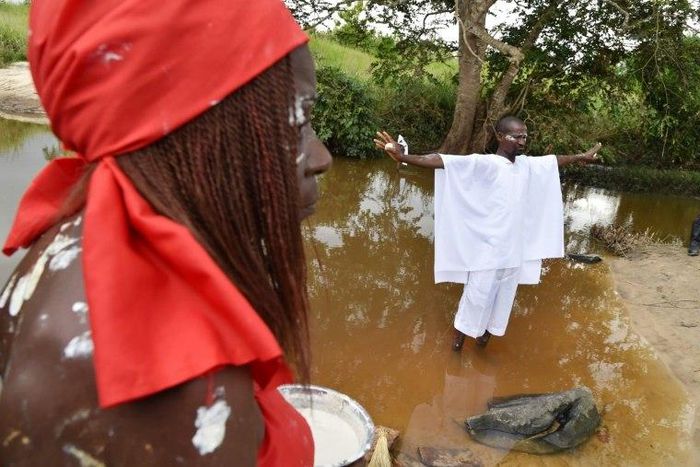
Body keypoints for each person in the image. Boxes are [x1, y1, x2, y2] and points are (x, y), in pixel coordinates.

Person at [0, 0, 331, 465]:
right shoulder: (172, 385)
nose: (321, 157)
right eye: (297, 123)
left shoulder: (74, 234)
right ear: (192, 131)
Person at [374, 117, 600, 350]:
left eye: (525, 136)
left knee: (501, 306)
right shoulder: (486, 163)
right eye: (517, 136)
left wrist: (579, 157)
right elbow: (442, 161)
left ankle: (482, 345)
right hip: (488, 254)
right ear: (501, 137)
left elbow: (553, 161)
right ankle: (456, 350)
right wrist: (404, 157)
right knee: (475, 299)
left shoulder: (525, 165)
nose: (522, 141)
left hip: (514, 254)